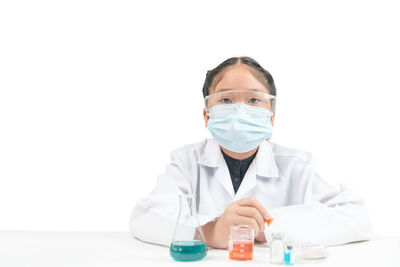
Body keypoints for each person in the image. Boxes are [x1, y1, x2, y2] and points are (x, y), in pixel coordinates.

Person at [129, 56, 372, 249]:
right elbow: (146, 217)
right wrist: (212, 231)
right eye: (225, 100)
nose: (240, 112)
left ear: (272, 115)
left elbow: (356, 217)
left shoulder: (298, 166)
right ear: (206, 114)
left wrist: (262, 227)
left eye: (254, 100)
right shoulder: (186, 162)